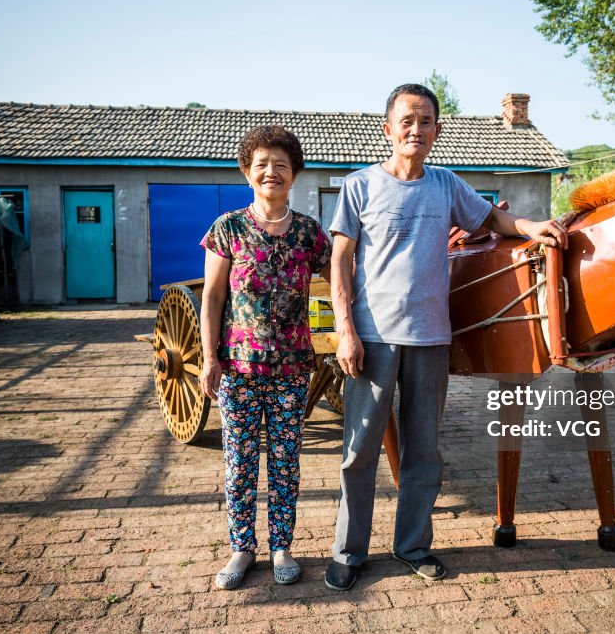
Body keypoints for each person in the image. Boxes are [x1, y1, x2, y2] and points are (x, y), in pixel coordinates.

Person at [324, 84, 568, 591]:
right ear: (388, 128)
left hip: (431, 337)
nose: (417, 129)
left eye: (427, 120)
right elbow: (339, 263)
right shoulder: (359, 186)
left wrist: (529, 225)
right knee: (360, 449)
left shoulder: (446, 184)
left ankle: (412, 545)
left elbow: (492, 218)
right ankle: (349, 551)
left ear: (438, 129)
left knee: (424, 450)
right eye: (407, 120)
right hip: (372, 338)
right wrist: (345, 330)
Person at [200, 125, 332, 590]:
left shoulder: (310, 234)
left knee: (285, 461)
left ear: (294, 173)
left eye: (281, 164)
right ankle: (241, 548)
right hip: (237, 368)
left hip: (293, 370)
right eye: (261, 165)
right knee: (238, 461)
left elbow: (342, 275)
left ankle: (281, 546)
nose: (271, 172)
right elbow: (212, 298)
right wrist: (208, 357)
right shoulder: (228, 228)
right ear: (247, 172)